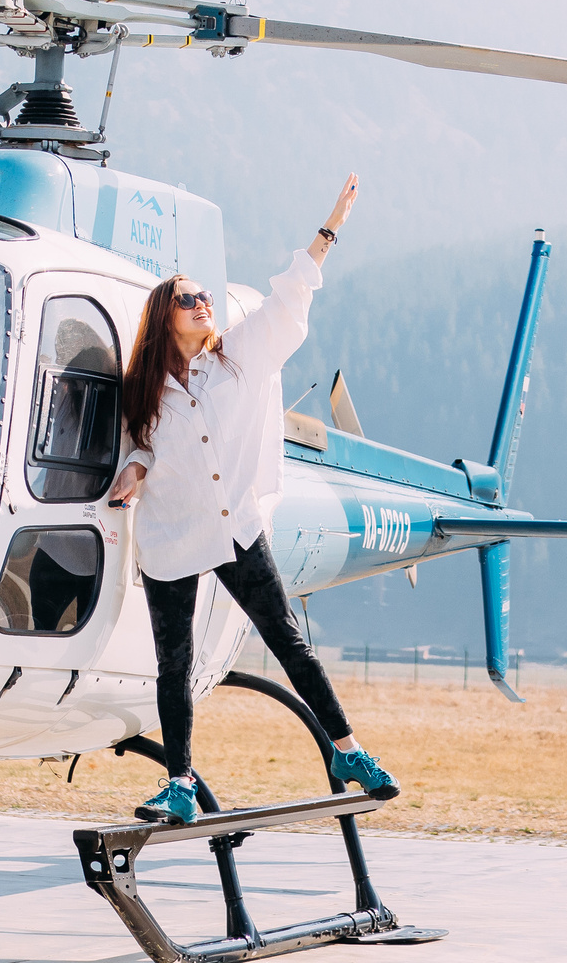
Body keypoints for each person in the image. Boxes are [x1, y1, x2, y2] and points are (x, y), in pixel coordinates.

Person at [106, 174, 398, 825]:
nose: (203, 302)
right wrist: (131, 472)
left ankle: (348, 748)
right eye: (188, 298)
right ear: (164, 316)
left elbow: (288, 299)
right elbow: (140, 445)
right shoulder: (145, 388)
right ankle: (179, 781)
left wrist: (330, 227)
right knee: (173, 664)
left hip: (235, 525)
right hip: (172, 534)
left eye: (205, 294)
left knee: (289, 640)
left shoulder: (241, 357)